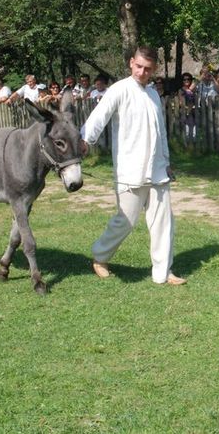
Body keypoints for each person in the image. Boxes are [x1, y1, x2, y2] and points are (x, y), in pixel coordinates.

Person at [80, 46, 185, 286]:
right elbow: (99, 116)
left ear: (154, 69)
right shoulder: (119, 89)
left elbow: (161, 132)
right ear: (131, 63)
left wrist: (166, 162)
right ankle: (100, 256)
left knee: (163, 222)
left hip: (158, 169)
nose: (142, 72)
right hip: (130, 169)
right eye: (138, 66)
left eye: (147, 69)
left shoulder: (154, 94)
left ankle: (163, 272)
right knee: (125, 220)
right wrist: (85, 140)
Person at [177, 72, 197, 140]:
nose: (186, 81)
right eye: (184, 79)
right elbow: (180, 102)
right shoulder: (180, 90)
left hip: (194, 113)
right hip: (185, 113)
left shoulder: (195, 89)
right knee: (186, 133)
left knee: (194, 133)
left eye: (188, 79)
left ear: (191, 80)